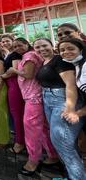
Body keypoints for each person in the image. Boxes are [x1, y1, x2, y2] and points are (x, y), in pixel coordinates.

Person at [34, 38, 85, 180]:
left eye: (44, 45)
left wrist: (69, 108)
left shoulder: (59, 60)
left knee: (63, 144)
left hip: (61, 100)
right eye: (37, 47)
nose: (41, 49)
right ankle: (74, 175)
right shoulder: (44, 62)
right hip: (48, 100)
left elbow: (70, 85)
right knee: (67, 143)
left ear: (52, 46)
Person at [6, 38, 58, 176]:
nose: (17, 47)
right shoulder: (33, 55)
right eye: (15, 46)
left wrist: (14, 70)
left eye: (20, 45)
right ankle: (52, 156)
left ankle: (33, 161)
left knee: (31, 129)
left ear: (27, 44)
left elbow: (28, 75)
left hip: (33, 97)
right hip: (37, 96)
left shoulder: (29, 55)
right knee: (44, 129)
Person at [53, 38, 86, 179]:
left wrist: (77, 112)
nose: (66, 52)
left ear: (81, 49)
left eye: (70, 48)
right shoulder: (77, 65)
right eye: (62, 50)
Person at [0, 34, 25, 154]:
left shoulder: (15, 54)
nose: (5, 43)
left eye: (7, 41)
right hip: (10, 84)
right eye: (3, 41)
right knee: (14, 113)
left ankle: (19, 143)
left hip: (15, 84)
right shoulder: (8, 54)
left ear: (12, 41)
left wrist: (1, 77)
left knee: (17, 114)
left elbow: (15, 71)